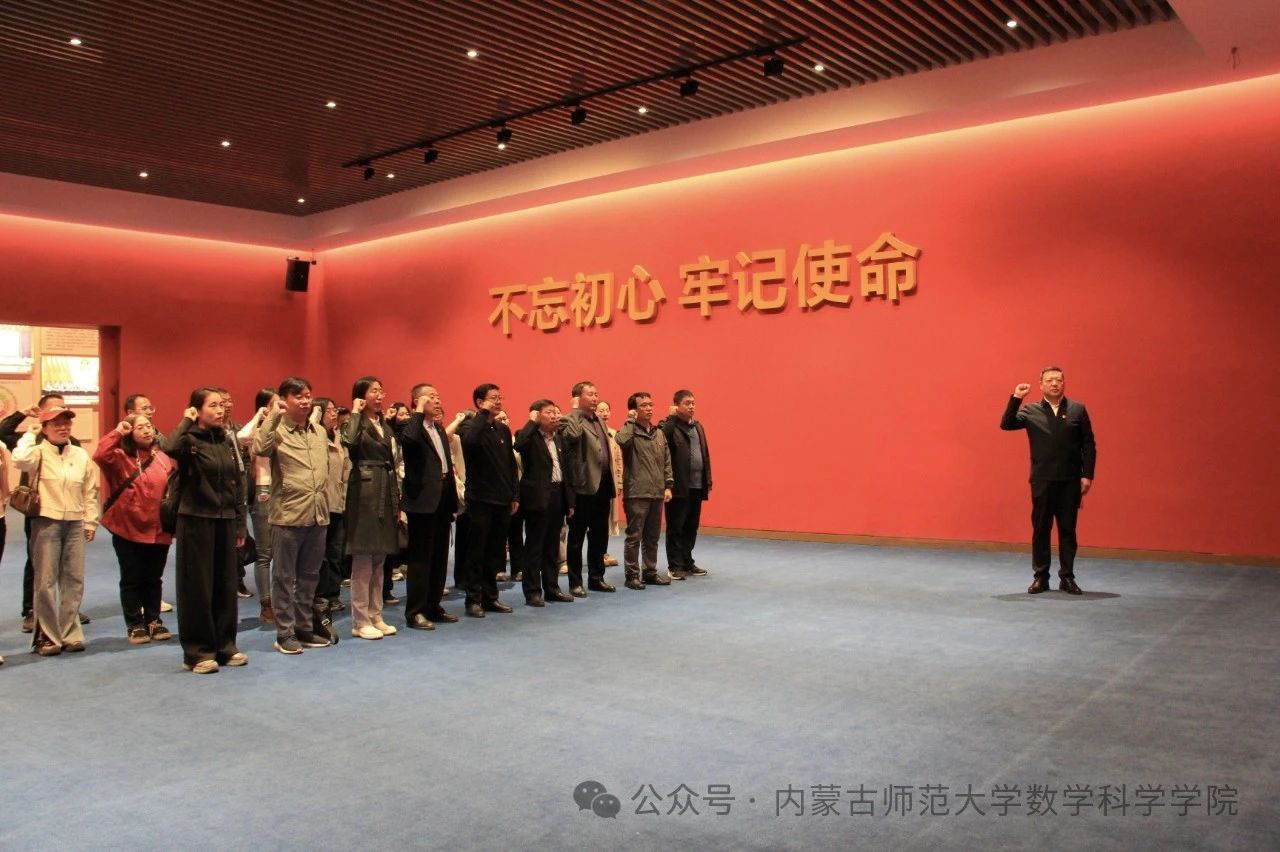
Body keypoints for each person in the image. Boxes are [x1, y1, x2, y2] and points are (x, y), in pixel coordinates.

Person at [169, 389, 248, 673]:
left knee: (225, 585)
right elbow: (170, 447)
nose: (220, 410)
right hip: (195, 519)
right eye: (212, 405)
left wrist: (239, 523)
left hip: (224, 520)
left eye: (221, 405)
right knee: (197, 588)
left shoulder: (226, 439)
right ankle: (198, 652)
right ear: (197, 410)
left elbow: (237, 482)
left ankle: (225, 646)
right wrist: (185, 420)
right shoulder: (188, 440)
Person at [1000, 366, 1097, 595]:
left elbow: (1088, 444)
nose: (1055, 384)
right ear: (1041, 385)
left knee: (1067, 531)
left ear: (1064, 384)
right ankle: (1041, 577)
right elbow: (1007, 424)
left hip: (1070, 480)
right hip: (1042, 479)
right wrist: (1016, 397)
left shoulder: (1077, 410)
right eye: (1050, 380)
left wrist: (1087, 475)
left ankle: (1067, 577)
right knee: (1041, 529)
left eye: (1059, 380)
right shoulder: (1030, 410)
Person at [253, 377, 332, 653]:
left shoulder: (318, 431)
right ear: (284, 400)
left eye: (308, 395)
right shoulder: (276, 430)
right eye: (298, 396)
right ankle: (284, 633)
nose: (305, 400)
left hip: (318, 514)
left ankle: (304, 628)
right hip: (288, 515)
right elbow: (259, 448)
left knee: (309, 577)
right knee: (284, 578)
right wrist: (273, 415)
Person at [12, 407, 99, 656]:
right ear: (45, 428)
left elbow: (90, 490)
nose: (63, 428)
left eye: (66, 423)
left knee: (74, 580)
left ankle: (70, 633)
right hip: (46, 522)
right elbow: (19, 459)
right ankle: (47, 636)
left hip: (75, 523)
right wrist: (31, 434)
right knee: (45, 582)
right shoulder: (37, 452)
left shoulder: (80, 455)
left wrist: (90, 521)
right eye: (56, 424)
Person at [1, 392, 89, 632]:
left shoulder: (73, 443)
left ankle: (67, 610)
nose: (61, 421)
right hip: (39, 509)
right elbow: (2, 432)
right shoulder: (32, 440)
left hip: (69, 511)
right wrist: (23, 414)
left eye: (63, 410)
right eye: (54, 411)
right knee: (38, 564)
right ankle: (31, 610)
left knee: (69, 566)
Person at [93, 412, 175, 644]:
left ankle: (153, 620)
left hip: (158, 529)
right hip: (127, 527)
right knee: (132, 577)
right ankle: (135, 624)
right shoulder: (119, 458)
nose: (147, 430)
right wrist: (118, 432)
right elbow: (100, 454)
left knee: (154, 577)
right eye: (140, 427)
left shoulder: (162, 457)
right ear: (130, 432)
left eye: (149, 426)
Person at [342, 376, 400, 640]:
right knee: (364, 559)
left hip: (385, 489)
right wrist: (355, 412)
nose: (379, 395)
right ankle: (360, 620)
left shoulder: (383, 424)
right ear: (361, 396)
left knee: (380, 560)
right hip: (364, 492)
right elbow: (350, 442)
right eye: (373, 391)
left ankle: (376, 615)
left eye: (381, 390)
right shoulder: (356, 423)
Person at [399, 383, 460, 629]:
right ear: (417, 401)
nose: (437, 400)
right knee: (420, 559)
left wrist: (452, 499)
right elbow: (409, 442)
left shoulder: (438, 428)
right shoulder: (410, 426)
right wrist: (417, 412)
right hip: (422, 500)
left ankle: (433, 606)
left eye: (438, 396)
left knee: (439, 556)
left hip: (443, 497)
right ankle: (415, 611)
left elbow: (446, 466)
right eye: (431, 397)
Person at [457, 383, 518, 618]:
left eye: (500, 397)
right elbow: (469, 443)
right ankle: (473, 599)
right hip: (480, 499)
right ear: (480, 402)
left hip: (502, 499)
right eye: (493, 398)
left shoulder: (503, 430)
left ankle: (490, 597)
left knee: (495, 552)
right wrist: (483, 414)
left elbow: (510, 465)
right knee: (477, 551)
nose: (498, 401)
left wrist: (514, 495)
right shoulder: (471, 426)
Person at [513, 400, 575, 606]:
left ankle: (552, 588)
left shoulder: (559, 438)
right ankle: (532, 591)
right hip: (537, 497)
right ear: (537, 415)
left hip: (558, 495)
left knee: (552, 546)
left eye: (556, 412)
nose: (555, 416)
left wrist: (570, 501)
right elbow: (519, 445)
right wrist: (532, 422)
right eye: (549, 412)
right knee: (534, 546)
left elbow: (567, 471)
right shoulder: (529, 436)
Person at [559, 381, 616, 595]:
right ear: (577, 398)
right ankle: (575, 582)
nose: (595, 398)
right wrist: (575, 410)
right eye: (590, 394)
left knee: (599, 535)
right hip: (582, 487)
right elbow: (572, 437)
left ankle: (596, 577)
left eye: (596, 394)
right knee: (577, 537)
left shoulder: (598, 420)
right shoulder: (569, 419)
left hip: (602, 485)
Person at [616, 392, 675, 589]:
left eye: (651, 404)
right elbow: (621, 440)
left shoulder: (659, 433)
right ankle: (632, 575)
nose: (649, 408)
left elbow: (666, 460)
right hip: (637, 492)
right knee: (634, 536)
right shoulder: (629, 431)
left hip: (657, 492)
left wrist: (668, 485)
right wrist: (630, 421)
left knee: (652, 537)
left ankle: (649, 572)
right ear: (634, 410)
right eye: (644, 405)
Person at [662, 389, 712, 579]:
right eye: (687, 403)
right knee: (676, 527)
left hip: (697, 485)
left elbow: (705, 455)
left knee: (691, 526)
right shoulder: (670, 426)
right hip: (678, 486)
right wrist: (671, 418)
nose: (691, 406)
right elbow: (662, 441)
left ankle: (687, 561)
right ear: (676, 406)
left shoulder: (698, 427)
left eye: (693, 403)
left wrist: (707, 480)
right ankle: (675, 566)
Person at [238, 388, 278, 619]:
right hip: (263, 492)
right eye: (273, 404)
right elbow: (241, 437)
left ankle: (282, 600)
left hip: (286, 493)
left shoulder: (285, 428)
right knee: (265, 553)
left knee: (284, 552)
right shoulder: (258, 431)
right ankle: (266, 604)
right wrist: (259, 416)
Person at [311, 397, 350, 621]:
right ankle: (318, 595)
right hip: (320, 504)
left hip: (338, 502)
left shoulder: (339, 437)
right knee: (320, 554)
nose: (334, 414)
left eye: (335, 410)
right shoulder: (314, 437)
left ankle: (333, 594)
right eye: (329, 411)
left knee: (335, 552)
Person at [596, 400, 624, 569]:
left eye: (607, 410)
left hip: (609, 484)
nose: (605, 413)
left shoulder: (614, 434)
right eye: (601, 410)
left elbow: (619, 460)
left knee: (606, 520)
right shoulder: (590, 432)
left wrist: (619, 482)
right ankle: (595, 553)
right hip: (593, 485)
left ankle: (603, 552)